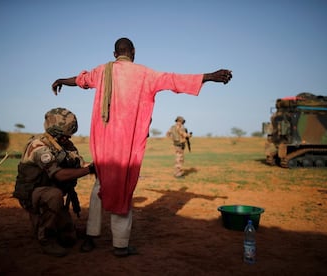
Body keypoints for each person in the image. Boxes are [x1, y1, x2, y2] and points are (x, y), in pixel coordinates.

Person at [51, 37, 232, 257]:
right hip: (128, 145)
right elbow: (174, 80)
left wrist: (61, 79)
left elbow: (80, 80)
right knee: (124, 189)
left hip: (104, 144)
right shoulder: (145, 74)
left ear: (114, 53)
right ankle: (120, 245)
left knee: (100, 184)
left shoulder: (102, 71)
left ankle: (90, 238)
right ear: (133, 52)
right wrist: (210, 76)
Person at [13, 107, 95, 257]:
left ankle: (57, 227)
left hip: (49, 192)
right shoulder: (39, 146)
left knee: (69, 238)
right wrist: (89, 170)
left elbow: (79, 164)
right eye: (64, 135)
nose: (68, 138)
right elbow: (59, 176)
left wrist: (96, 165)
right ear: (54, 132)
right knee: (54, 195)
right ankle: (45, 239)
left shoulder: (65, 145)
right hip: (33, 195)